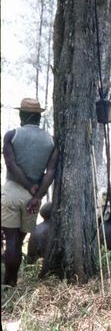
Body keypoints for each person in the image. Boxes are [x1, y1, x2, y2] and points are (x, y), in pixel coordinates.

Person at [1, 98, 58, 286]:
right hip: (32, 199)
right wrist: (38, 195)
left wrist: (27, 185)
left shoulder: (11, 135)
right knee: (18, 241)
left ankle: (8, 283)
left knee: (10, 241)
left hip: (11, 192)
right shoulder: (51, 141)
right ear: (39, 117)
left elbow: (11, 164)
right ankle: (13, 281)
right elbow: (50, 172)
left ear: (22, 115)